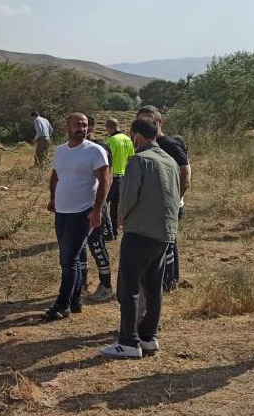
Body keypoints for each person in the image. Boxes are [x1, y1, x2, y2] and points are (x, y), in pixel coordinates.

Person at [100, 116, 180, 359]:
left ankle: (128, 341)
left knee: (130, 286)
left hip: (140, 230)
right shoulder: (170, 161)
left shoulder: (139, 160)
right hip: (164, 232)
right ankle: (148, 337)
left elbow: (127, 197)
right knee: (153, 286)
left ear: (136, 136)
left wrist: (120, 218)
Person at [45, 113, 109, 320]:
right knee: (68, 257)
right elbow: (56, 176)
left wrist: (97, 210)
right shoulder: (61, 151)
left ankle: (62, 305)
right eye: (77, 124)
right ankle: (76, 302)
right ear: (67, 127)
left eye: (84, 125)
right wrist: (53, 198)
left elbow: (105, 182)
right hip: (62, 211)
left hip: (82, 212)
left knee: (69, 259)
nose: (81, 128)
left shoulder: (95, 151)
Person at [136, 105, 190, 292]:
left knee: (168, 244)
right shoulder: (141, 145)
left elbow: (186, 174)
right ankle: (161, 280)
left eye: (150, 120)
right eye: (142, 121)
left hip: (169, 205)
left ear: (159, 121)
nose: (146, 124)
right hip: (150, 207)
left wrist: (174, 201)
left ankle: (169, 281)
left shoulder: (168, 144)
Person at [83, 119, 115, 302]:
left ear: (91, 128)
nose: (80, 129)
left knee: (96, 244)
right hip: (76, 207)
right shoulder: (68, 148)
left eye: (84, 125)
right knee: (80, 247)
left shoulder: (100, 148)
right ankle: (81, 284)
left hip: (95, 205)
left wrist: (101, 205)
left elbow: (106, 178)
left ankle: (106, 285)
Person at [105, 117, 135, 238]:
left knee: (103, 204)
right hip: (123, 176)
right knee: (116, 206)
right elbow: (131, 157)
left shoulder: (112, 140)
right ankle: (114, 230)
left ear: (108, 127)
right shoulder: (127, 139)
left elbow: (107, 158)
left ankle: (106, 231)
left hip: (112, 176)